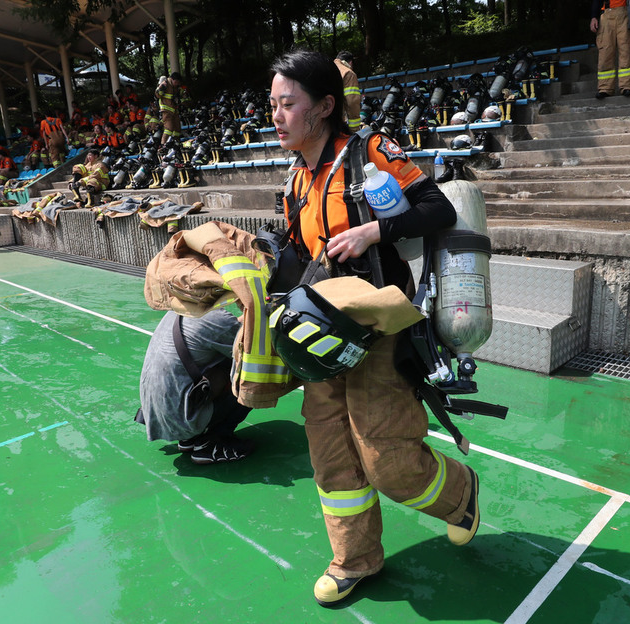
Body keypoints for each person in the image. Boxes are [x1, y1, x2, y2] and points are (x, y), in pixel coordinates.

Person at [269, 49, 480, 607]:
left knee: (387, 458)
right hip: (320, 332)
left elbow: (435, 207)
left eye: (288, 103)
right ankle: (354, 559)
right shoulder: (296, 180)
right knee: (330, 452)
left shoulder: (368, 154)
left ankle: (460, 493)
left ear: (324, 107)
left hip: (379, 328)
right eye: (273, 104)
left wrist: (374, 234)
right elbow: (300, 252)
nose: (277, 114)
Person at [135, 309, 255, 464]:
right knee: (254, 371)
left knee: (221, 364)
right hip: (180, 419)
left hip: (158, 416)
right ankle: (214, 441)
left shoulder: (176, 311)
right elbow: (249, 348)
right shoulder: (217, 318)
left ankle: (191, 438)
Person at [590, 0, 630, 98]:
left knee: (626, 51)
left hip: (625, 13)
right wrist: (594, 17)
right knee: (605, 54)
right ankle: (605, 88)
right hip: (606, 15)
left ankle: (627, 86)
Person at [334, 51, 363, 130]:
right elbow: (352, 102)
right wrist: (355, 129)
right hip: (337, 123)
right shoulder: (348, 73)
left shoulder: (327, 69)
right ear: (350, 63)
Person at [155, 72, 183, 146]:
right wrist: (161, 88)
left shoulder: (175, 87)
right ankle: (163, 145)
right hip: (166, 111)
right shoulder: (165, 83)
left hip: (174, 110)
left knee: (177, 128)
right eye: (176, 82)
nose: (177, 84)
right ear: (173, 79)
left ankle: (177, 144)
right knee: (168, 129)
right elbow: (157, 95)